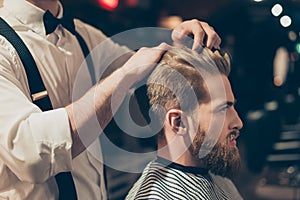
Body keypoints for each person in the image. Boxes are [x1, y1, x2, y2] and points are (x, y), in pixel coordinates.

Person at [0, 0, 222, 199]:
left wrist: (178, 46)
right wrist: (125, 75)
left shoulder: (84, 35)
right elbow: (32, 154)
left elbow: (149, 69)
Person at [126, 47, 244, 199]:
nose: (238, 123)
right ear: (179, 122)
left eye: (233, 106)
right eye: (222, 109)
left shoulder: (221, 182)